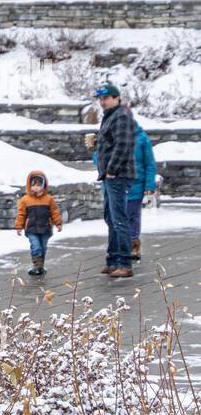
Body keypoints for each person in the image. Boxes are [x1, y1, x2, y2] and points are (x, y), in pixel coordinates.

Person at [92, 83, 137, 278]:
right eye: (101, 99)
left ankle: (125, 263)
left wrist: (112, 169)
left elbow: (124, 145)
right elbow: (112, 143)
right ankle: (112, 260)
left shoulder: (121, 115)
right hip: (109, 175)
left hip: (117, 175)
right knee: (111, 218)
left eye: (106, 98)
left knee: (119, 219)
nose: (103, 102)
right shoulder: (110, 116)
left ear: (116, 98)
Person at [14, 170, 62, 277]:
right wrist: (19, 226)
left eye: (39, 185)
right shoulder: (25, 200)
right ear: (29, 185)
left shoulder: (48, 199)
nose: (36, 187)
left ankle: (40, 267)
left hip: (45, 228)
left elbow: (54, 212)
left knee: (43, 248)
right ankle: (36, 267)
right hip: (31, 229)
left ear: (43, 185)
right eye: (34, 185)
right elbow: (21, 214)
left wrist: (58, 223)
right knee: (36, 247)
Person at [127, 122, 158, 261]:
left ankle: (133, 245)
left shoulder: (141, 138)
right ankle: (118, 247)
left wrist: (149, 186)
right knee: (116, 219)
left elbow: (150, 164)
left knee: (132, 216)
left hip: (135, 186)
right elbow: (99, 160)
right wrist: (96, 150)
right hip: (115, 186)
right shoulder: (110, 135)